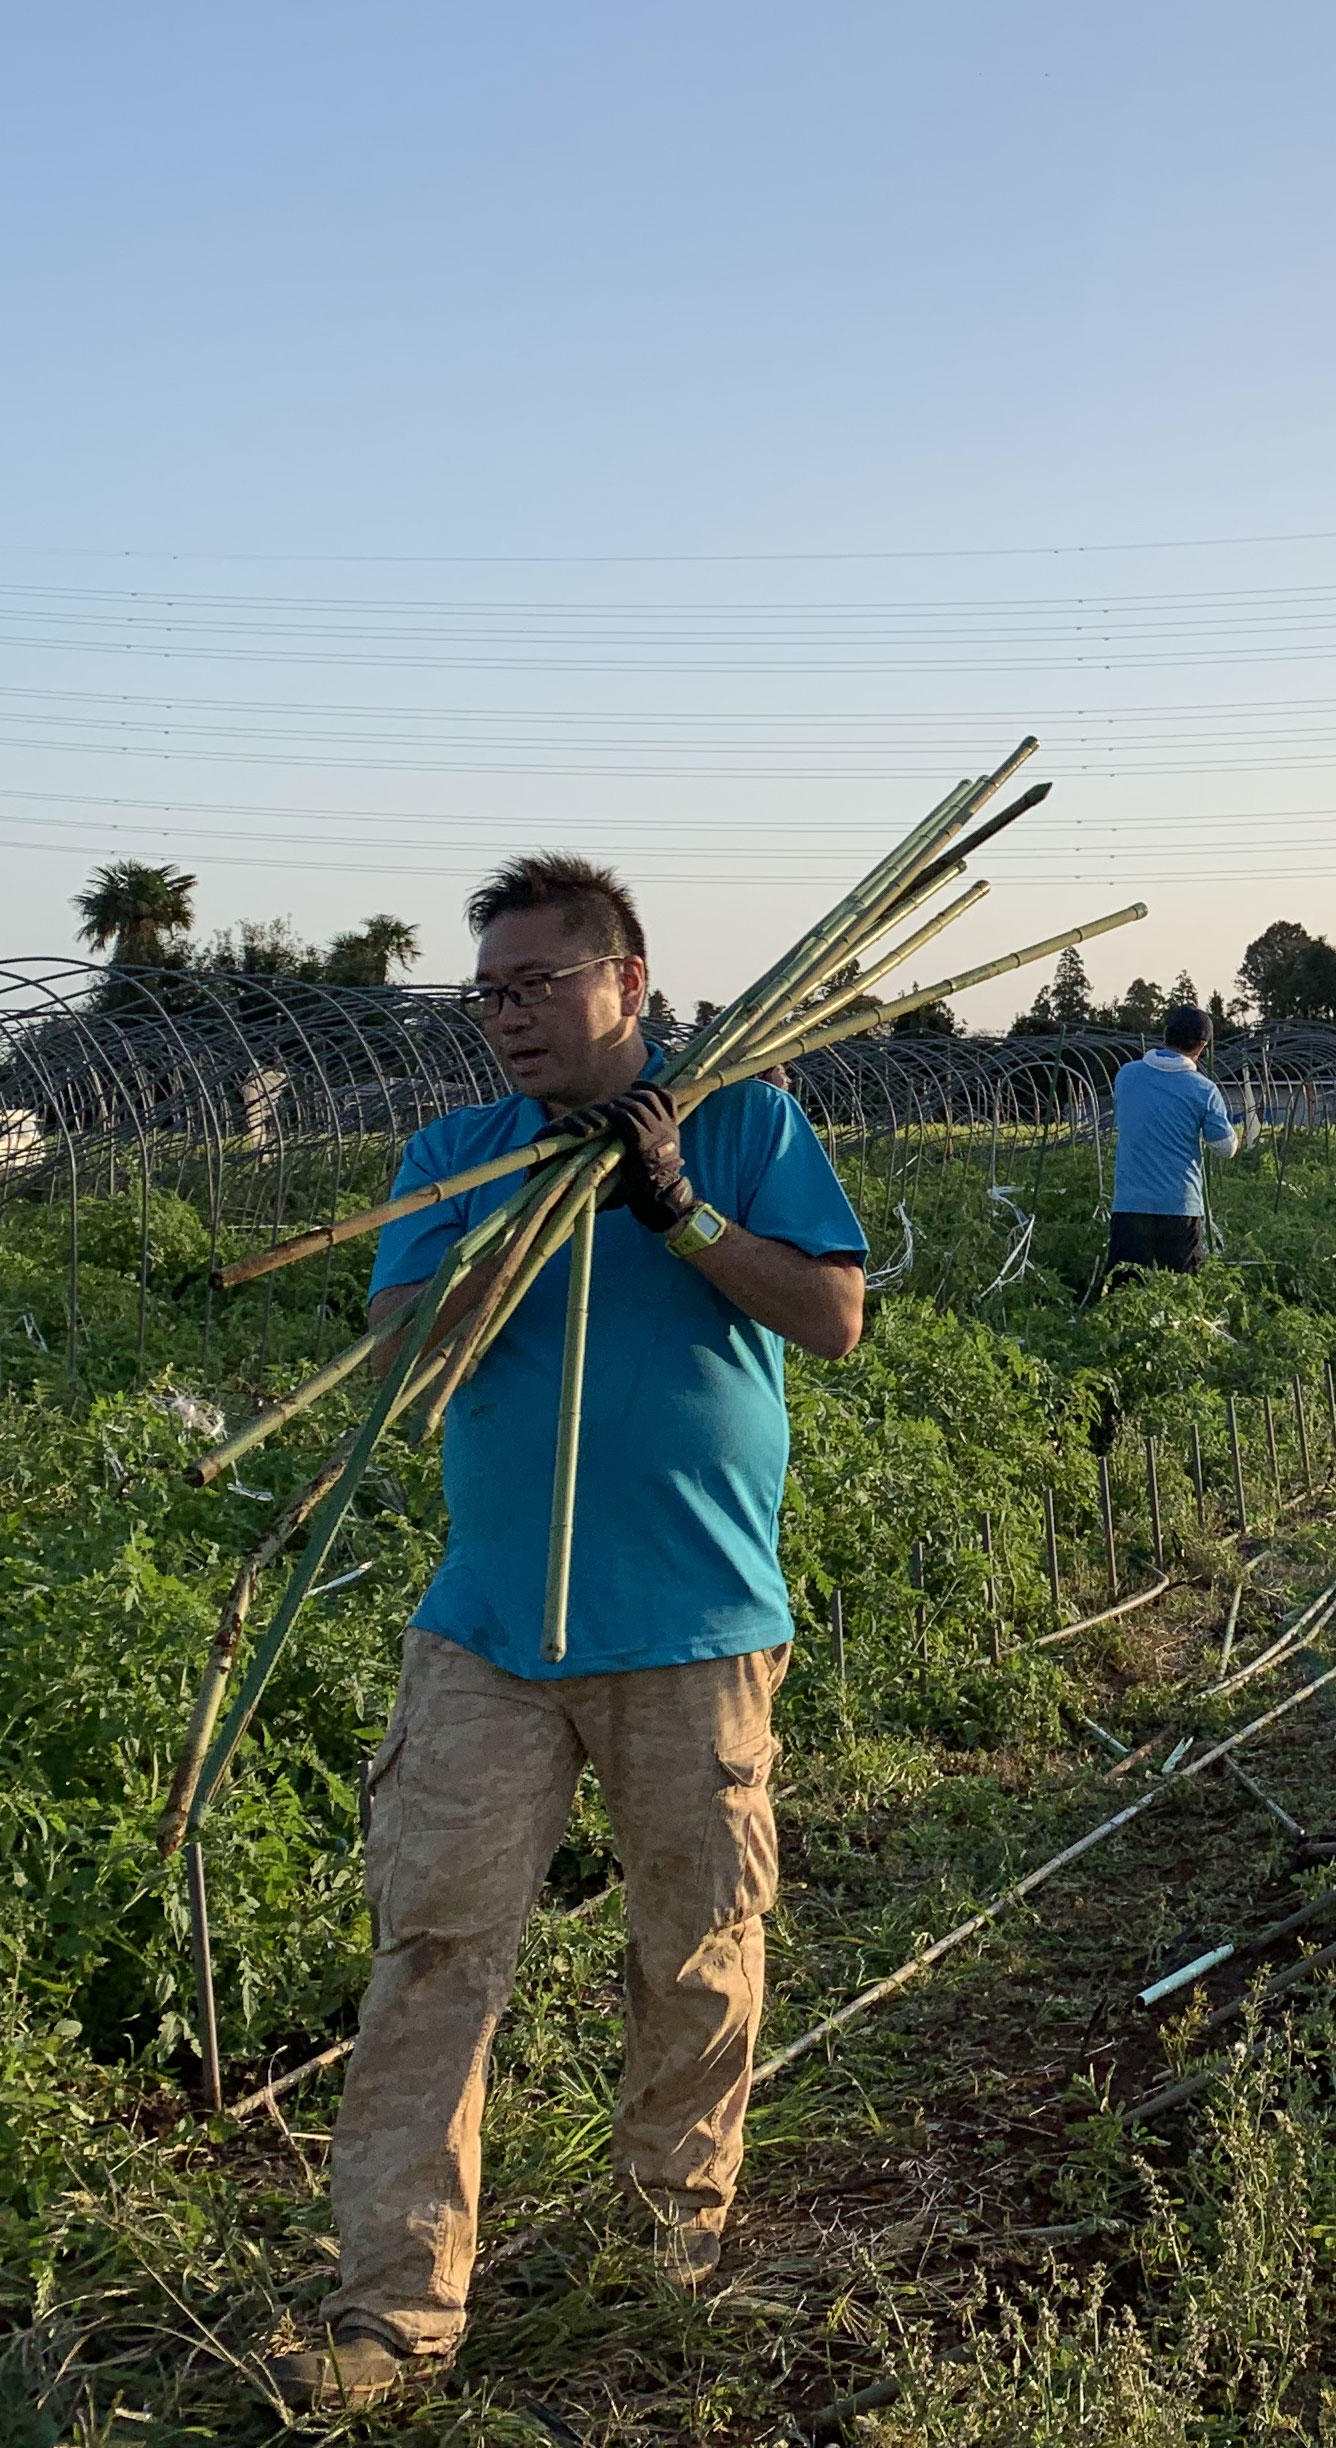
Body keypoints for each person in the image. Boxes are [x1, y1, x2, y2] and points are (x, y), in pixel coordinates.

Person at [276, 857, 867, 2412]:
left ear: (632, 980)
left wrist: (675, 1208)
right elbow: (407, 1359)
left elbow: (829, 1314)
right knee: (435, 1954)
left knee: (698, 1948)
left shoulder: (740, 1119)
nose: (507, 1017)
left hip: (695, 1622)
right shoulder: (456, 1155)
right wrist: (522, 1219)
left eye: (539, 984)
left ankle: (667, 2237)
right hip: (488, 1630)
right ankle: (394, 2316)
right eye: (488, 992)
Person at [1101, 1003, 1239, 1292]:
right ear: (1202, 1047)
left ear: (1164, 1035)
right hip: (1179, 1208)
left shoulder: (1126, 1076)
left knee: (1124, 1296)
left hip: (1129, 1205)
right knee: (1181, 1298)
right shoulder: (1203, 1090)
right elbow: (1226, 1148)